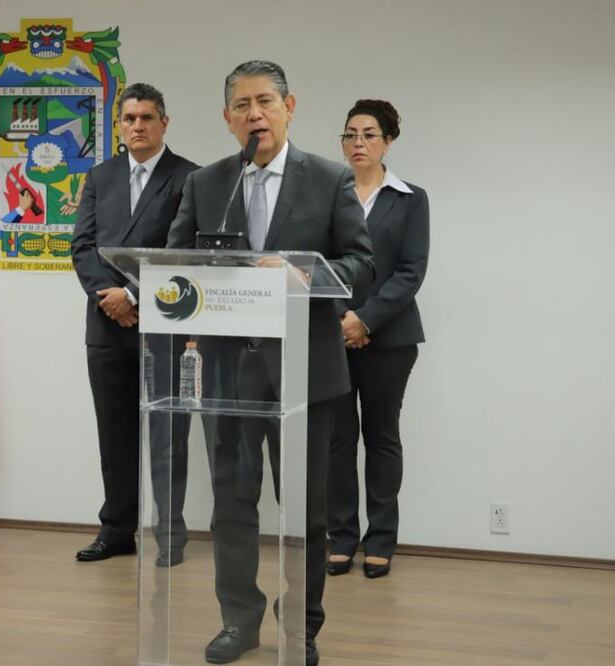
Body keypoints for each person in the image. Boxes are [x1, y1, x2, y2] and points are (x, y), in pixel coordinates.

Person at [167, 61, 374, 666]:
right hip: (227, 375)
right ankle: (238, 619)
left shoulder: (330, 178)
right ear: (227, 118)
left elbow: (361, 265)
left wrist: (301, 274)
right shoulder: (207, 183)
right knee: (231, 502)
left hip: (306, 371)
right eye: (242, 105)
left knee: (305, 509)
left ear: (289, 107)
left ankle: (301, 627)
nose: (254, 114)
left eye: (265, 102)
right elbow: (176, 265)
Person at [71, 83, 198, 567]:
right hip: (106, 326)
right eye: (129, 119)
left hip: (164, 323)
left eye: (147, 117)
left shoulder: (190, 178)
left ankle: (171, 534)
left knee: (168, 434)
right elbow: (82, 245)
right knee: (115, 433)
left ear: (164, 122)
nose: (138, 126)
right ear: (119, 125)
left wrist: (136, 296)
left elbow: (185, 250)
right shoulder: (100, 177)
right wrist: (110, 298)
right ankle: (117, 530)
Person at [327, 99, 430, 579]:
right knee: (338, 438)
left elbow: (410, 272)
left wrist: (365, 320)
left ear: (389, 140)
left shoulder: (411, 198)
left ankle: (381, 539)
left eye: (369, 134)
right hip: (332, 334)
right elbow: (318, 266)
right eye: (350, 134)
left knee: (382, 435)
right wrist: (341, 319)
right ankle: (341, 537)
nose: (358, 143)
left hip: (390, 338)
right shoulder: (327, 192)